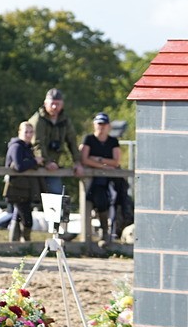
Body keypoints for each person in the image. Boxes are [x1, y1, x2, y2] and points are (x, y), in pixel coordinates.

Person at [81, 112, 131, 242]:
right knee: (99, 201)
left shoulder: (113, 141)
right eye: (99, 124)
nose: (101, 127)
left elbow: (116, 162)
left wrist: (97, 160)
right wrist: (103, 165)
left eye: (104, 124)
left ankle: (110, 233)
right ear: (94, 125)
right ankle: (101, 232)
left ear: (108, 126)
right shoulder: (89, 139)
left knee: (116, 202)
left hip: (112, 180)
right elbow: (85, 159)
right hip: (95, 181)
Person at [28, 88, 83, 194]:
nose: (54, 107)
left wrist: (77, 162)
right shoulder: (38, 120)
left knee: (56, 197)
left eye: (57, 104)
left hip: (53, 166)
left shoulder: (65, 120)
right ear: (45, 103)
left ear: (62, 104)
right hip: (34, 165)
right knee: (29, 197)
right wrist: (46, 162)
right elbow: (37, 144)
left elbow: (72, 141)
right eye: (52, 104)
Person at [4, 121, 41, 242]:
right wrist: (35, 161)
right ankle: (25, 242)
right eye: (26, 132)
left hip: (26, 188)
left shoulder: (28, 148)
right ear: (19, 132)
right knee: (26, 218)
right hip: (17, 187)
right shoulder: (17, 146)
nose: (29, 135)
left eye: (31, 132)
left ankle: (15, 243)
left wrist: (32, 162)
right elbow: (18, 166)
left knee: (19, 214)